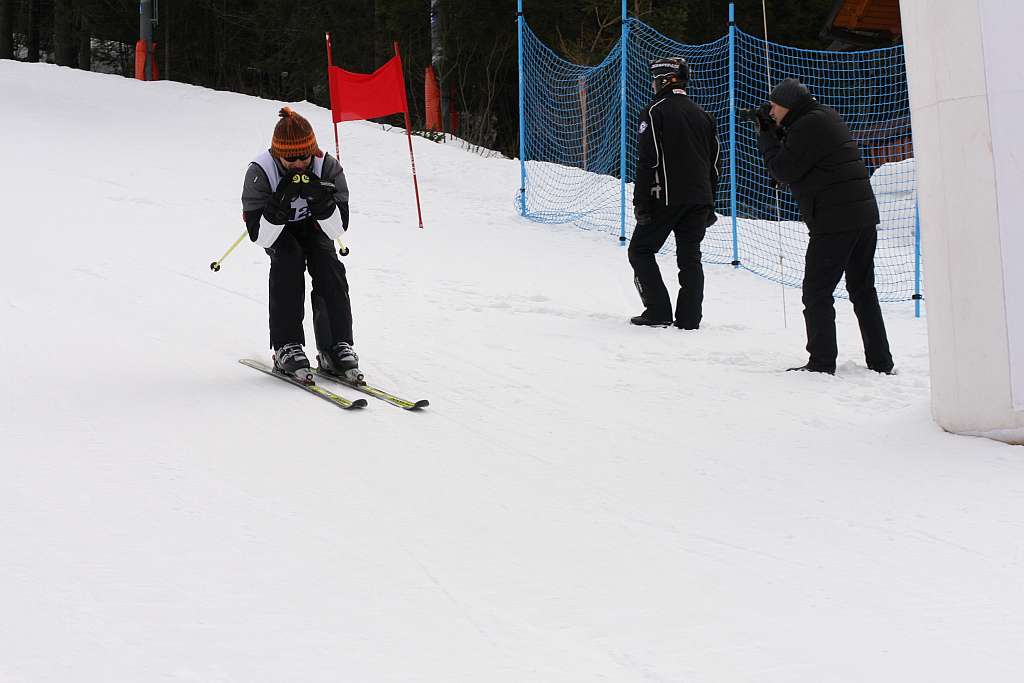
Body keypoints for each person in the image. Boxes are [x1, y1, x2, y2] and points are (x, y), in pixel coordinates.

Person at [756, 77, 894, 375]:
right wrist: (775, 131)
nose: (772, 114)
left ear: (789, 106)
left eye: (775, 108)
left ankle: (821, 363)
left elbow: (783, 169)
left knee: (816, 292)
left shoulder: (807, 126)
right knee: (862, 289)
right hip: (861, 215)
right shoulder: (824, 116)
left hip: (835, 220)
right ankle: (881, 361)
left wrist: (766, 137)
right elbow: (802, 158)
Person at [240, 107, 361, 382]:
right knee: (288, 259)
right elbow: (261, 237)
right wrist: (279, 203)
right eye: (289, 158)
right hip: (277, 229)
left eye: (303, 157)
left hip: (314, 225)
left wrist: (320, 200)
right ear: (276, 154)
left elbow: (338, 228)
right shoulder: (260, 173)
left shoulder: (328, 167)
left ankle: (336, 346)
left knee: (328, 262)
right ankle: (287, 345)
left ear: (314, 151)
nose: (297, 164)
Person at [628, 56, 720, 329]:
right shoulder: (703, 114)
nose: (653, 86)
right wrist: (710, 202)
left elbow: (648, 160)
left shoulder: (656, 111)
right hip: (699, 198)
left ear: (664, 80)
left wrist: (641, 202)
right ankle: (690, 318)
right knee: (690, 257)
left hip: (665, 197)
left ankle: (658, 310)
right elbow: (715, 163)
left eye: (654, 81)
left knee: (640, 250)